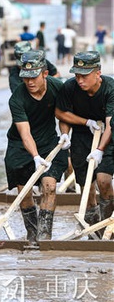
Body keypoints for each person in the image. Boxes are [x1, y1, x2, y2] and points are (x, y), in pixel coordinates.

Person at [5, 51, 70, 242]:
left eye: (34, 77)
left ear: (45, 73)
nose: (30, 82)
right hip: (20, 146)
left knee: (49, 186)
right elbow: (25, 134)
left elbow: (64, 115)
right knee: (24, 193)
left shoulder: (58, 87)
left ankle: (44, 235)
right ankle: (32, 234)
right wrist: (34, 156)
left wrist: (65, 133)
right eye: (25, 78)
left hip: (49, 141)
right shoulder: (17, 98)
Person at [55, 52, 114, 231]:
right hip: (81, 135)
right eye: (77, 75)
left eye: (85, 76)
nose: (80, 80)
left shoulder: (110, 89)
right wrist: (66, 133)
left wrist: (100, 149)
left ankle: (108, 225)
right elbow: (61, 113)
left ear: (98, 73)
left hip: (108, 135)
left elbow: (111, 125)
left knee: (103, 180)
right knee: (86, 185)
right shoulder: (70, 87)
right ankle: (93, 227)